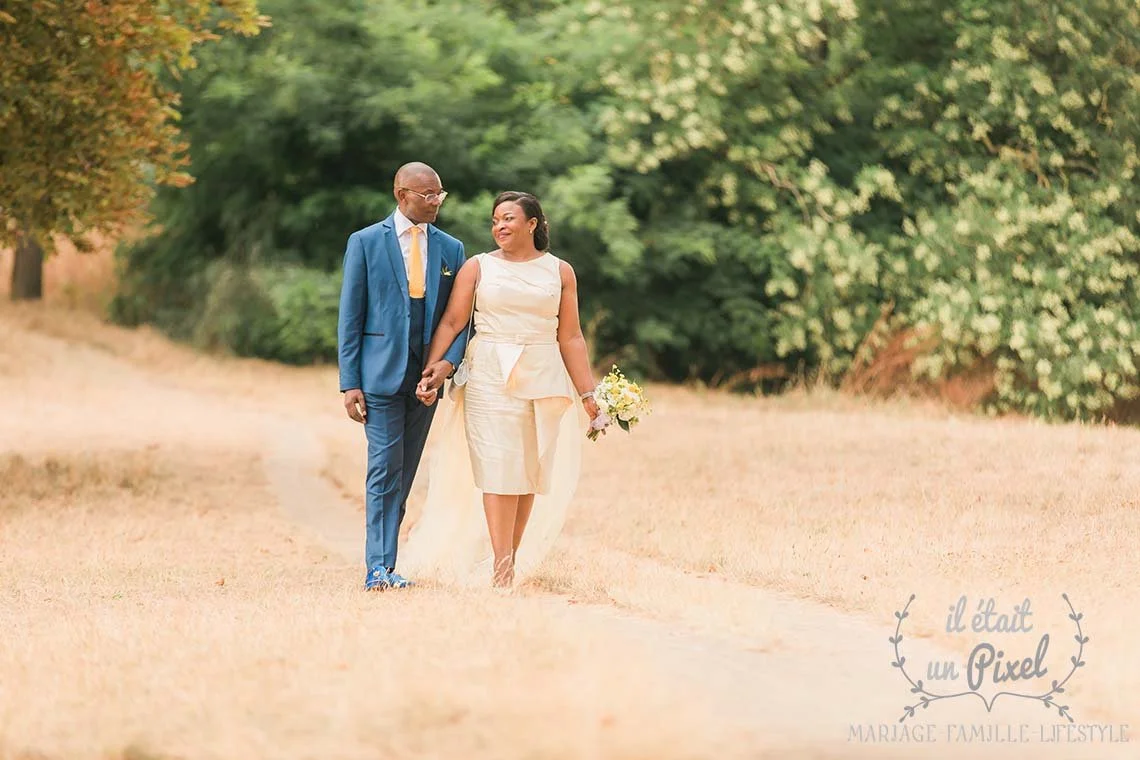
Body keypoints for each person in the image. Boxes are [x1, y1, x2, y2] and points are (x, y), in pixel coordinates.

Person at [408, 191, 600, 590]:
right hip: (489, 374)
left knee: (528, 471)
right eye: (495, 220)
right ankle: (502, 566)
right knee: (498, 468)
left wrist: (588, 394)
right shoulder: (478, 268)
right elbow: (453, 321)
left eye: (509, 218)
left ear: (533, 224)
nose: (500, 227)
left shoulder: (560, 272)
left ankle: (509, 556)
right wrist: (432, 368)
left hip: (543, 373)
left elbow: (572, 336)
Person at [336, 161, 468, 591]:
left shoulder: (452, 249)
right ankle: (378, 567)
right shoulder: (365, 242)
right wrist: (349, 381)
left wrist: (444, 365)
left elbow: (460, 319)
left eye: (439, 195)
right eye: (426, 195)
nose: (435, 203)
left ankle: (388, 564)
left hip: (426, 377)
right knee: (383, 467)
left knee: (406, 469)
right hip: (378, 374)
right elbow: (350, 315)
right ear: (401, 194)